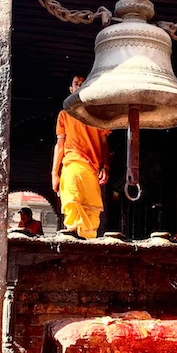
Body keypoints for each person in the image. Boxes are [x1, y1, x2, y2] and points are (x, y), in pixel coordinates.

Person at [51, 76, 110, 240]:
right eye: (76, 84)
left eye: (83, 84)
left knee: (93, 208)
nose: (79, 86)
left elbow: (104, 142)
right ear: (71, 89)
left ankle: (88, 243)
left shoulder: (97, 115)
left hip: (92, 169)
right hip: (72, 164)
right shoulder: (64, 115)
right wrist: (54, 174)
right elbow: (60, 145)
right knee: (71, 201)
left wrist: (106, 166)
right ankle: (73, 240)